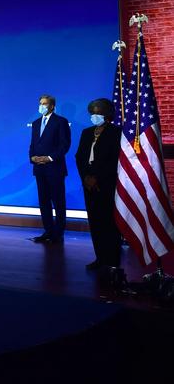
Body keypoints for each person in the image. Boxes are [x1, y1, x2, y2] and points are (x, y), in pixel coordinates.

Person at [75, 98, 122, 270]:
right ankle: (100, 257)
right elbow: (79, 157)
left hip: (106, 184)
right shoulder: (87, 133)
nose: (94, 116)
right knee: (95, 222)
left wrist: (97, 178)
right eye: (92, 113)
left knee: (109, 223)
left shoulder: (116, 132)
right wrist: (86, 178)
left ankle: (112, 260)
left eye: (97, 113)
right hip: (89, 184)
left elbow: (114, 160)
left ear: (107, 114)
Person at [29, 94, 71, 244]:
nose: (41, 106)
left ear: (52, 106)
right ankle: (48, 231)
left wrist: (49, 158)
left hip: (54, 168)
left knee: (58, 201)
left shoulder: (61, 122)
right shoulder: (35, 123)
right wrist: (32, 157)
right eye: (40, 103)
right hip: (39, 169)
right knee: (44, 201)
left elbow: (64, 145)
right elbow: (33, 145)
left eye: (44, 104)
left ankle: (58, 233)